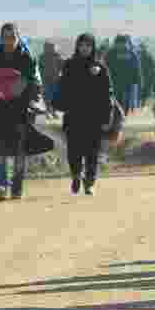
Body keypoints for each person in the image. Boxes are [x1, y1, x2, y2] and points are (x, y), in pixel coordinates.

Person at [0, 23, 43, 200]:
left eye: (12, 37)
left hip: (21, 110)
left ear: (18, 38)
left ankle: (16, 187)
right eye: (5, 37)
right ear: (1, 38)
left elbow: (36, 83)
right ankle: (1, 185)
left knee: (19, 151)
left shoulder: (26, 58)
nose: (8, 41)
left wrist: (26, 95)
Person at [53, 33, 114, 196]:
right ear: (77, 46)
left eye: (88, 45)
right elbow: (61, 86)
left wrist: (107, 115)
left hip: (93, 117)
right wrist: (58, 103)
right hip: (73, 115)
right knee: (74, 150)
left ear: (92, 47)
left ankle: (90, 183)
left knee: (92, 152)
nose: (85, 48)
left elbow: (107, 94)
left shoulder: (100, 67)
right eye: (82, 45)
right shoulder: (69, 65)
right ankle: (76, 176)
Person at [106, 35, 143, 115]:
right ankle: (118, 117)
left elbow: (136, 69)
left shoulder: (130, 54)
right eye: (119, 43)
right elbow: (105, 68)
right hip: (115, 84)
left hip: (126, 84)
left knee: (124, 103)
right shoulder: (111, 54)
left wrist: (138, 81)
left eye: (122, 43)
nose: (120, 45)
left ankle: (121, 117)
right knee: (117, 103)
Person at [39, 41, 65, 119]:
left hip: (55, 80)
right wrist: (42, 76)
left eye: (52, 47)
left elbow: (63, 66)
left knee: (54, 96)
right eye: (48, 47)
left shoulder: (58, 57)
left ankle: (53, 111)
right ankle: (48, 111)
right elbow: (41, 68)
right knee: (47, 96)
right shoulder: (42, 57)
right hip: (46, 80)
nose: (50, 49)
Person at [138, 41, 155, 109]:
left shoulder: (147, 56)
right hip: (141, 77)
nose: (142, 49)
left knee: (144, 93)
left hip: (146, 77)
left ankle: (142, 105)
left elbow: (154, 66)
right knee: (142, 93)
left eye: (143, 47)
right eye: (141, 47)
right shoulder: (139, 55)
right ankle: (142, 105)